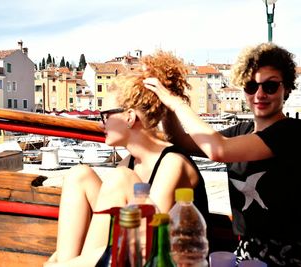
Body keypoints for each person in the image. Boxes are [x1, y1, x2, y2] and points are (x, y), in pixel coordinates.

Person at [144, 42, 301, 266]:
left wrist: (177, 104)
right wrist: (167, 105)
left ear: (286, 89)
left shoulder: (294, 132)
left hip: (290, 255)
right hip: (246, 249)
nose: (259, 94)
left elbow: (219, 150)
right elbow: (180, 140)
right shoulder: (241, 131)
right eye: (250, 86)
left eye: (270, 86)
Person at [45, 51, 209, 266]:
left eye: (104, 116)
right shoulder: (129, 162)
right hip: (132, 254)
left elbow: (146, 239)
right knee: (79, 175)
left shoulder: (172, 163)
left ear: (130, 117)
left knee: (120, 178)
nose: (100, 124)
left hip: (163, 258)